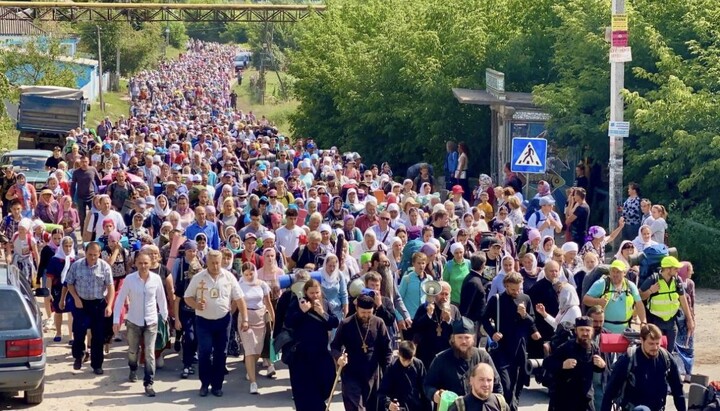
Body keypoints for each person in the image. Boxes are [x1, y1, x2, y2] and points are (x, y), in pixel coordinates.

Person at [183, 250, 248, 397]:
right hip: (203, 322)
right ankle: (205, 384)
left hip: (223, 321)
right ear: (207, 262)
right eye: (212, 263)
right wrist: (196, 305)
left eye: (218, 262)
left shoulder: (229, 277)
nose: (215, 265)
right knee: (205, 352)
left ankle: (217, 385)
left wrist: (244, 319)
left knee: (221, 353)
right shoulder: (199, 277)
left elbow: (240, 299)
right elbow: (187, 297)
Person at [482, 272, 541, 411]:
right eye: (513, 289)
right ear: (506, 286)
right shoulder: (496, 300)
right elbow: (484, 319)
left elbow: (532, 321)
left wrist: (524, 315)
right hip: (502, 347)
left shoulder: (525, 298)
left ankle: (512, 405)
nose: (516, 292)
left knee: (518, 382)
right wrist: (492, 333)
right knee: (506, 386)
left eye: (518, 289)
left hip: (520, 346)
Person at [112, 253, 168, 397]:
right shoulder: (130, 280)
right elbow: (120, 300)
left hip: (151, 322)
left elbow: (161, 299)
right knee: (133, 351)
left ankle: (149, 383)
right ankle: (133, 368)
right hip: (133, 322)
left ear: (150, 264)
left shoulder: (156, 280)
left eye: (146, 263)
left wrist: (165, 316)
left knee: (149, 353)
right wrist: (116, 320)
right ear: (136, 263)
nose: (143, 266)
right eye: (140, 263)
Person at [601, 324, 686, 411]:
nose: (655, 347)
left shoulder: (665, 358)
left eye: (657, 343)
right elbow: (610, 392)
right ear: (642, 340)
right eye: (651, 344)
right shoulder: (628, 360)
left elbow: (677, 389)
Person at [285, 278, 340, 411]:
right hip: (302, 354)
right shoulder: (298, 303)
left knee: (328, 379)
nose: (315, 296)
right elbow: (288, 322)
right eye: (312, 293)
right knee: (305, 389)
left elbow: (334, 322)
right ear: (306, 292)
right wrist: (301, 312)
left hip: (320, 352)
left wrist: (322, 313)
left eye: (317, 293)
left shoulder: (324, 304)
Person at [331, 293, 393, 411]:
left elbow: (387, 349)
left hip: (373, 375)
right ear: (357, 309)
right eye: (363, 312)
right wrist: (339, 357)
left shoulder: (378, 323)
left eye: (369, 313)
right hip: (351, 375)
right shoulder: (346, 324)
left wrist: (388, 370)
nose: (366, 315)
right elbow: (334, 346)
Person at [65, 242, 115, 374]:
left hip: (98, 304)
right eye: (90, 254)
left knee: (98, 335)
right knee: (79, 332)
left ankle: (97, 364)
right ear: (85, 252)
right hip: (81, 303)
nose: (92, 257)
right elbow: (69, 283)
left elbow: (110, 287)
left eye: (95, 255)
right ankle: (78, 356)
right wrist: (76, 298)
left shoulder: (105, 267)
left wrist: (109, 305)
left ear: (99, 254)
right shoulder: (77, 265)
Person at [543, 316, 607, 411]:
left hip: (586, 399)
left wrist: (602, 366)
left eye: (587, 330)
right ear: (576, 331)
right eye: (581, 330)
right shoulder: (566, 347)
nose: (585, 333)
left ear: (592, 331)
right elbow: (547, 363)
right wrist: (562, 365)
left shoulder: (594, 348)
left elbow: (597, 368)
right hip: (565, 399)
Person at [639, 256, 694, 351]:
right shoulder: (653, 279)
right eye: (675, 268)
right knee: (655, 350)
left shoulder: (677, 280)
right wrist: (650, 291)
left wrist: (689, 319)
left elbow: (683, 299)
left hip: (671, 323)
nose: (678, 270)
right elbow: (639, 297)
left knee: (669, 352)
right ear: (668, 269)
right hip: (655, 322)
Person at [237, 262, 275, 393]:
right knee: (249, 349)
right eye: (246, 274)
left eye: (251, 273)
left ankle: (250, 368)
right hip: (245, 317)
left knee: (258, 349)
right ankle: (253, 382)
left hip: (260, 317)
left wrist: (274, 317)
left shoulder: (262, 284)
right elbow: (234, 304)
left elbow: (268, 302)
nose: (249, 276)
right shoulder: (239, 286)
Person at [583, 260, 647, 334]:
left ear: (624, 273)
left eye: (618, 272)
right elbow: (585, 300)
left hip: (625, 330)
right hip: (604, 330)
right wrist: (598, 301)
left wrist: (643, 322)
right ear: (609, 271)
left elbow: (639, 304)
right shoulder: (601, 284)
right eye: (613, 271)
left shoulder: (630, 286)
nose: (615, 274)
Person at [172, 240, 203, 379]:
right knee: (189, 337)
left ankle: (191, 359)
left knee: (196, 337)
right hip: (186, 312)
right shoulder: (184, 283)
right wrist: (177, 319)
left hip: (199, 313)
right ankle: (186, 364)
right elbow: (177, 299)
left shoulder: (202, 284)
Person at [412, 281, 462, 367]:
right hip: (427, 353)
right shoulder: (424, 308)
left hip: (447, 352)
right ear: (435, 294)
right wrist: (428, 315)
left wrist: (449, 320)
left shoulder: (454, 309)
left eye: (446, 294)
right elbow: (415, 327)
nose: (444, 297)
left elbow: (460, 330)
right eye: (441, 294)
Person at [378, 341, 431, 411]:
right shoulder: (391, 368)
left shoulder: (418, 364)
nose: (406, 363)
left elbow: (424, 388)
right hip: (399, 407)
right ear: (398, 354)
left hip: (416, 406)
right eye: (403, 360)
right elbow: (382, 393)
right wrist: (389, 404)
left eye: (409, 360)